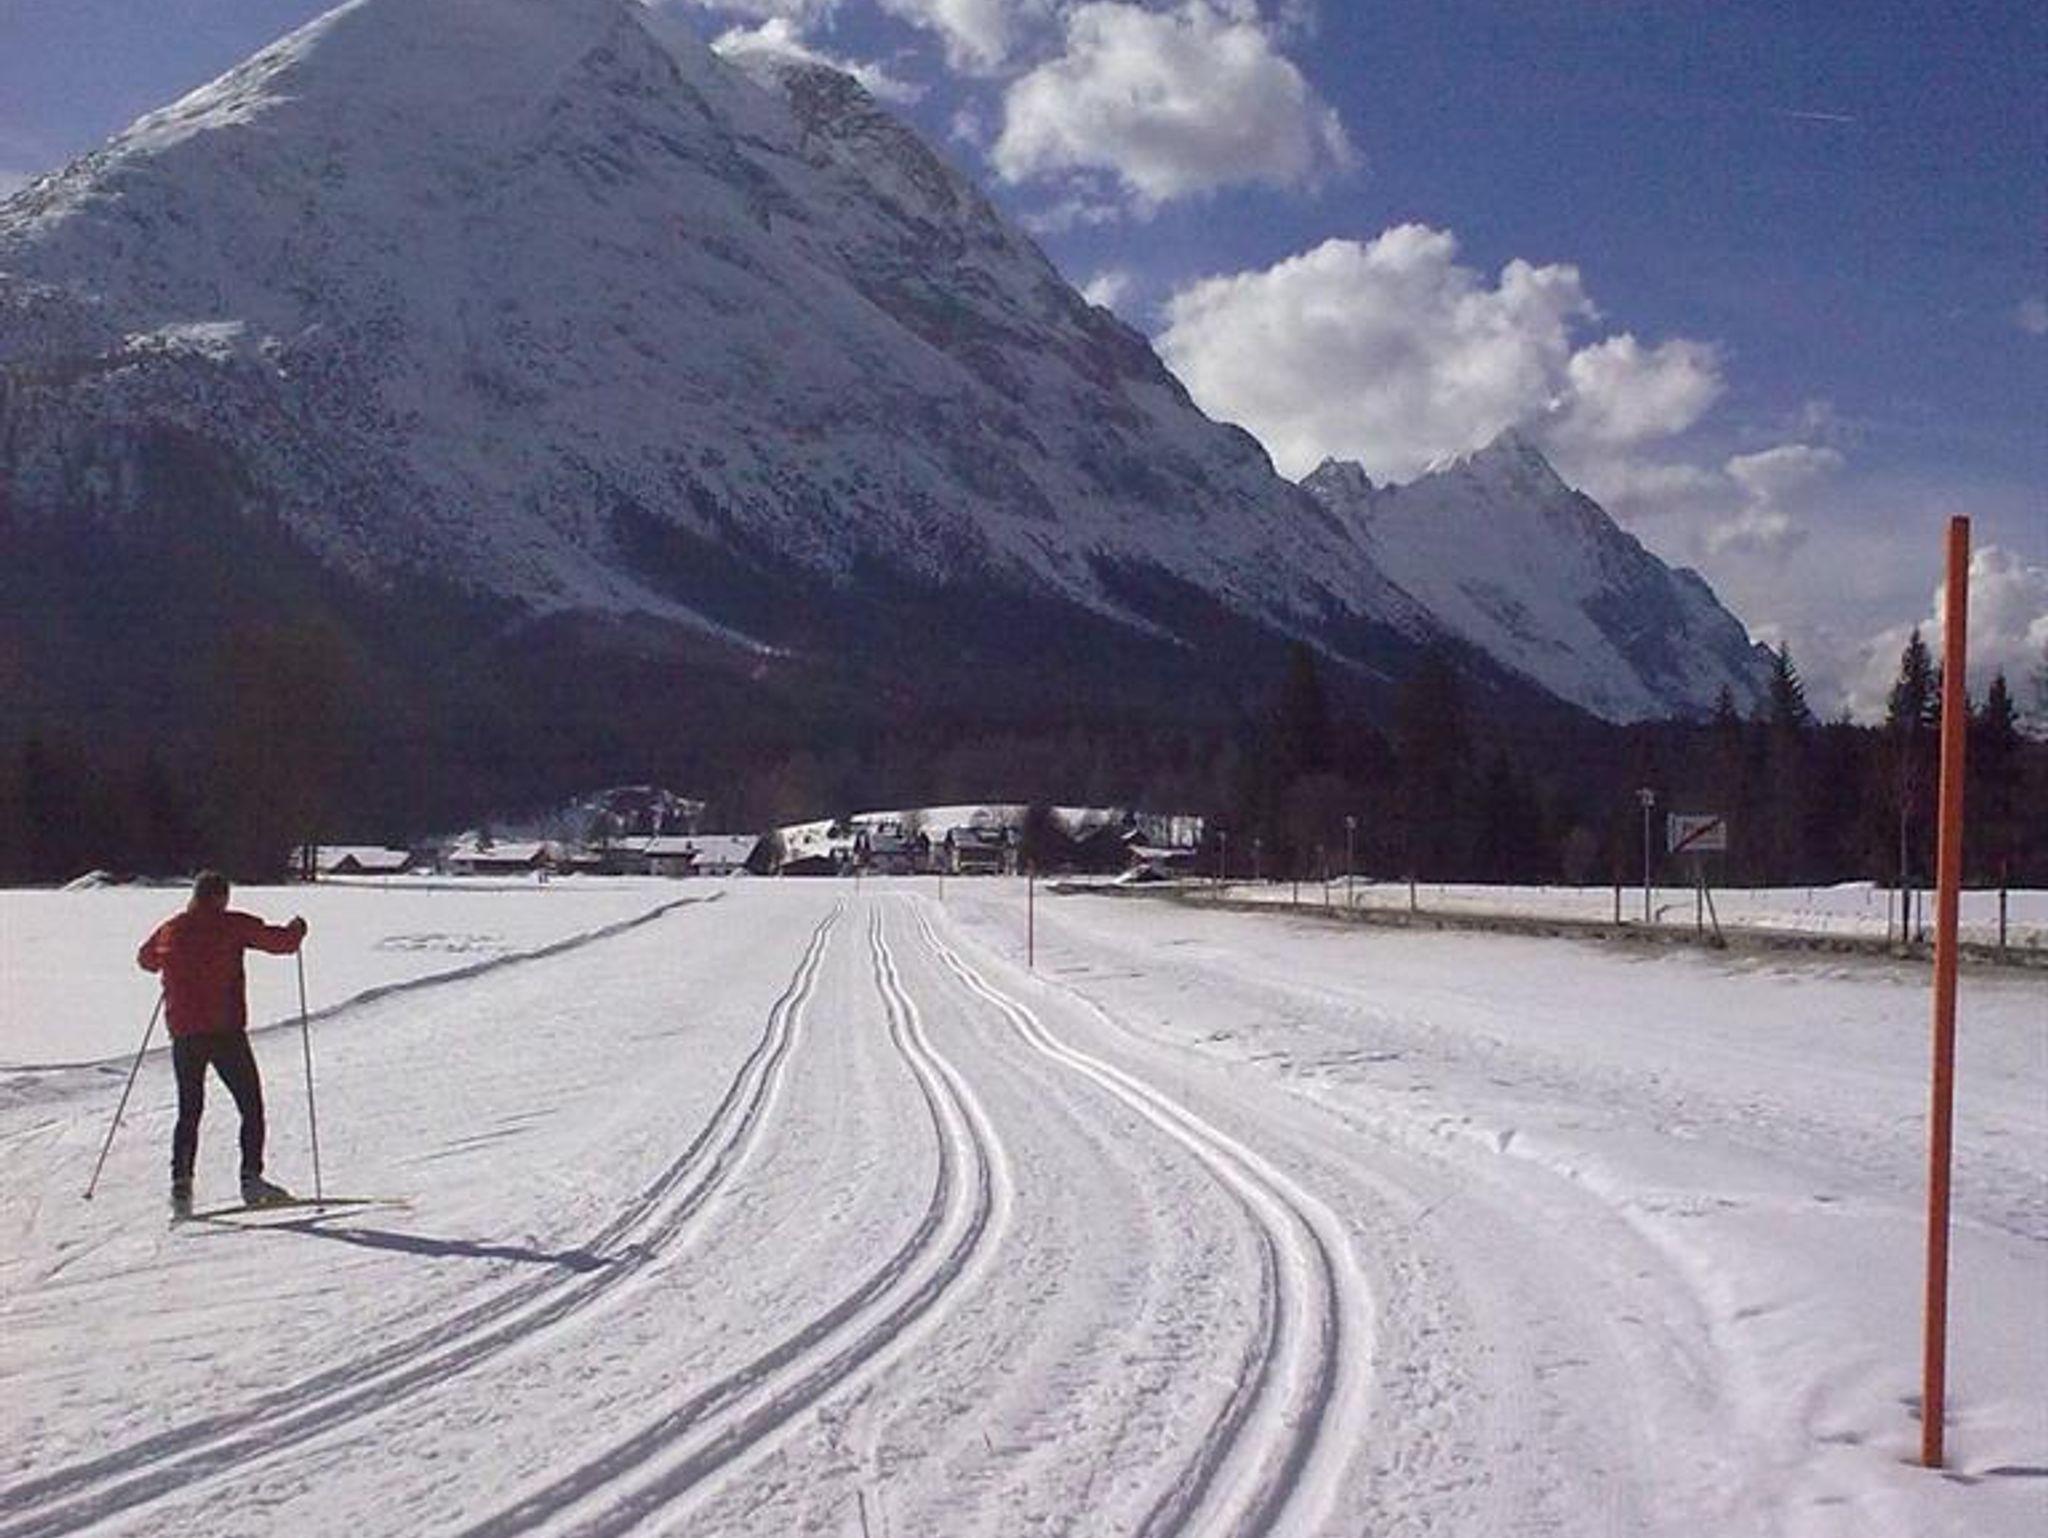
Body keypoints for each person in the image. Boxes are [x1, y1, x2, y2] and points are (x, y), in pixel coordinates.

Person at [137, 871, 308, 1216]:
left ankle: (181, 1187)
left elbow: (146, 959)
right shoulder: (232, 924)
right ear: (221, 897)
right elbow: (282, 943)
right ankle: (251, 1179)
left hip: (184, 1033)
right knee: (250, 1105)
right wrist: (297, 930)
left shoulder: (172, 927)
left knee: (189, 1110)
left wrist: (173, 960)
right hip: (224, 1029)